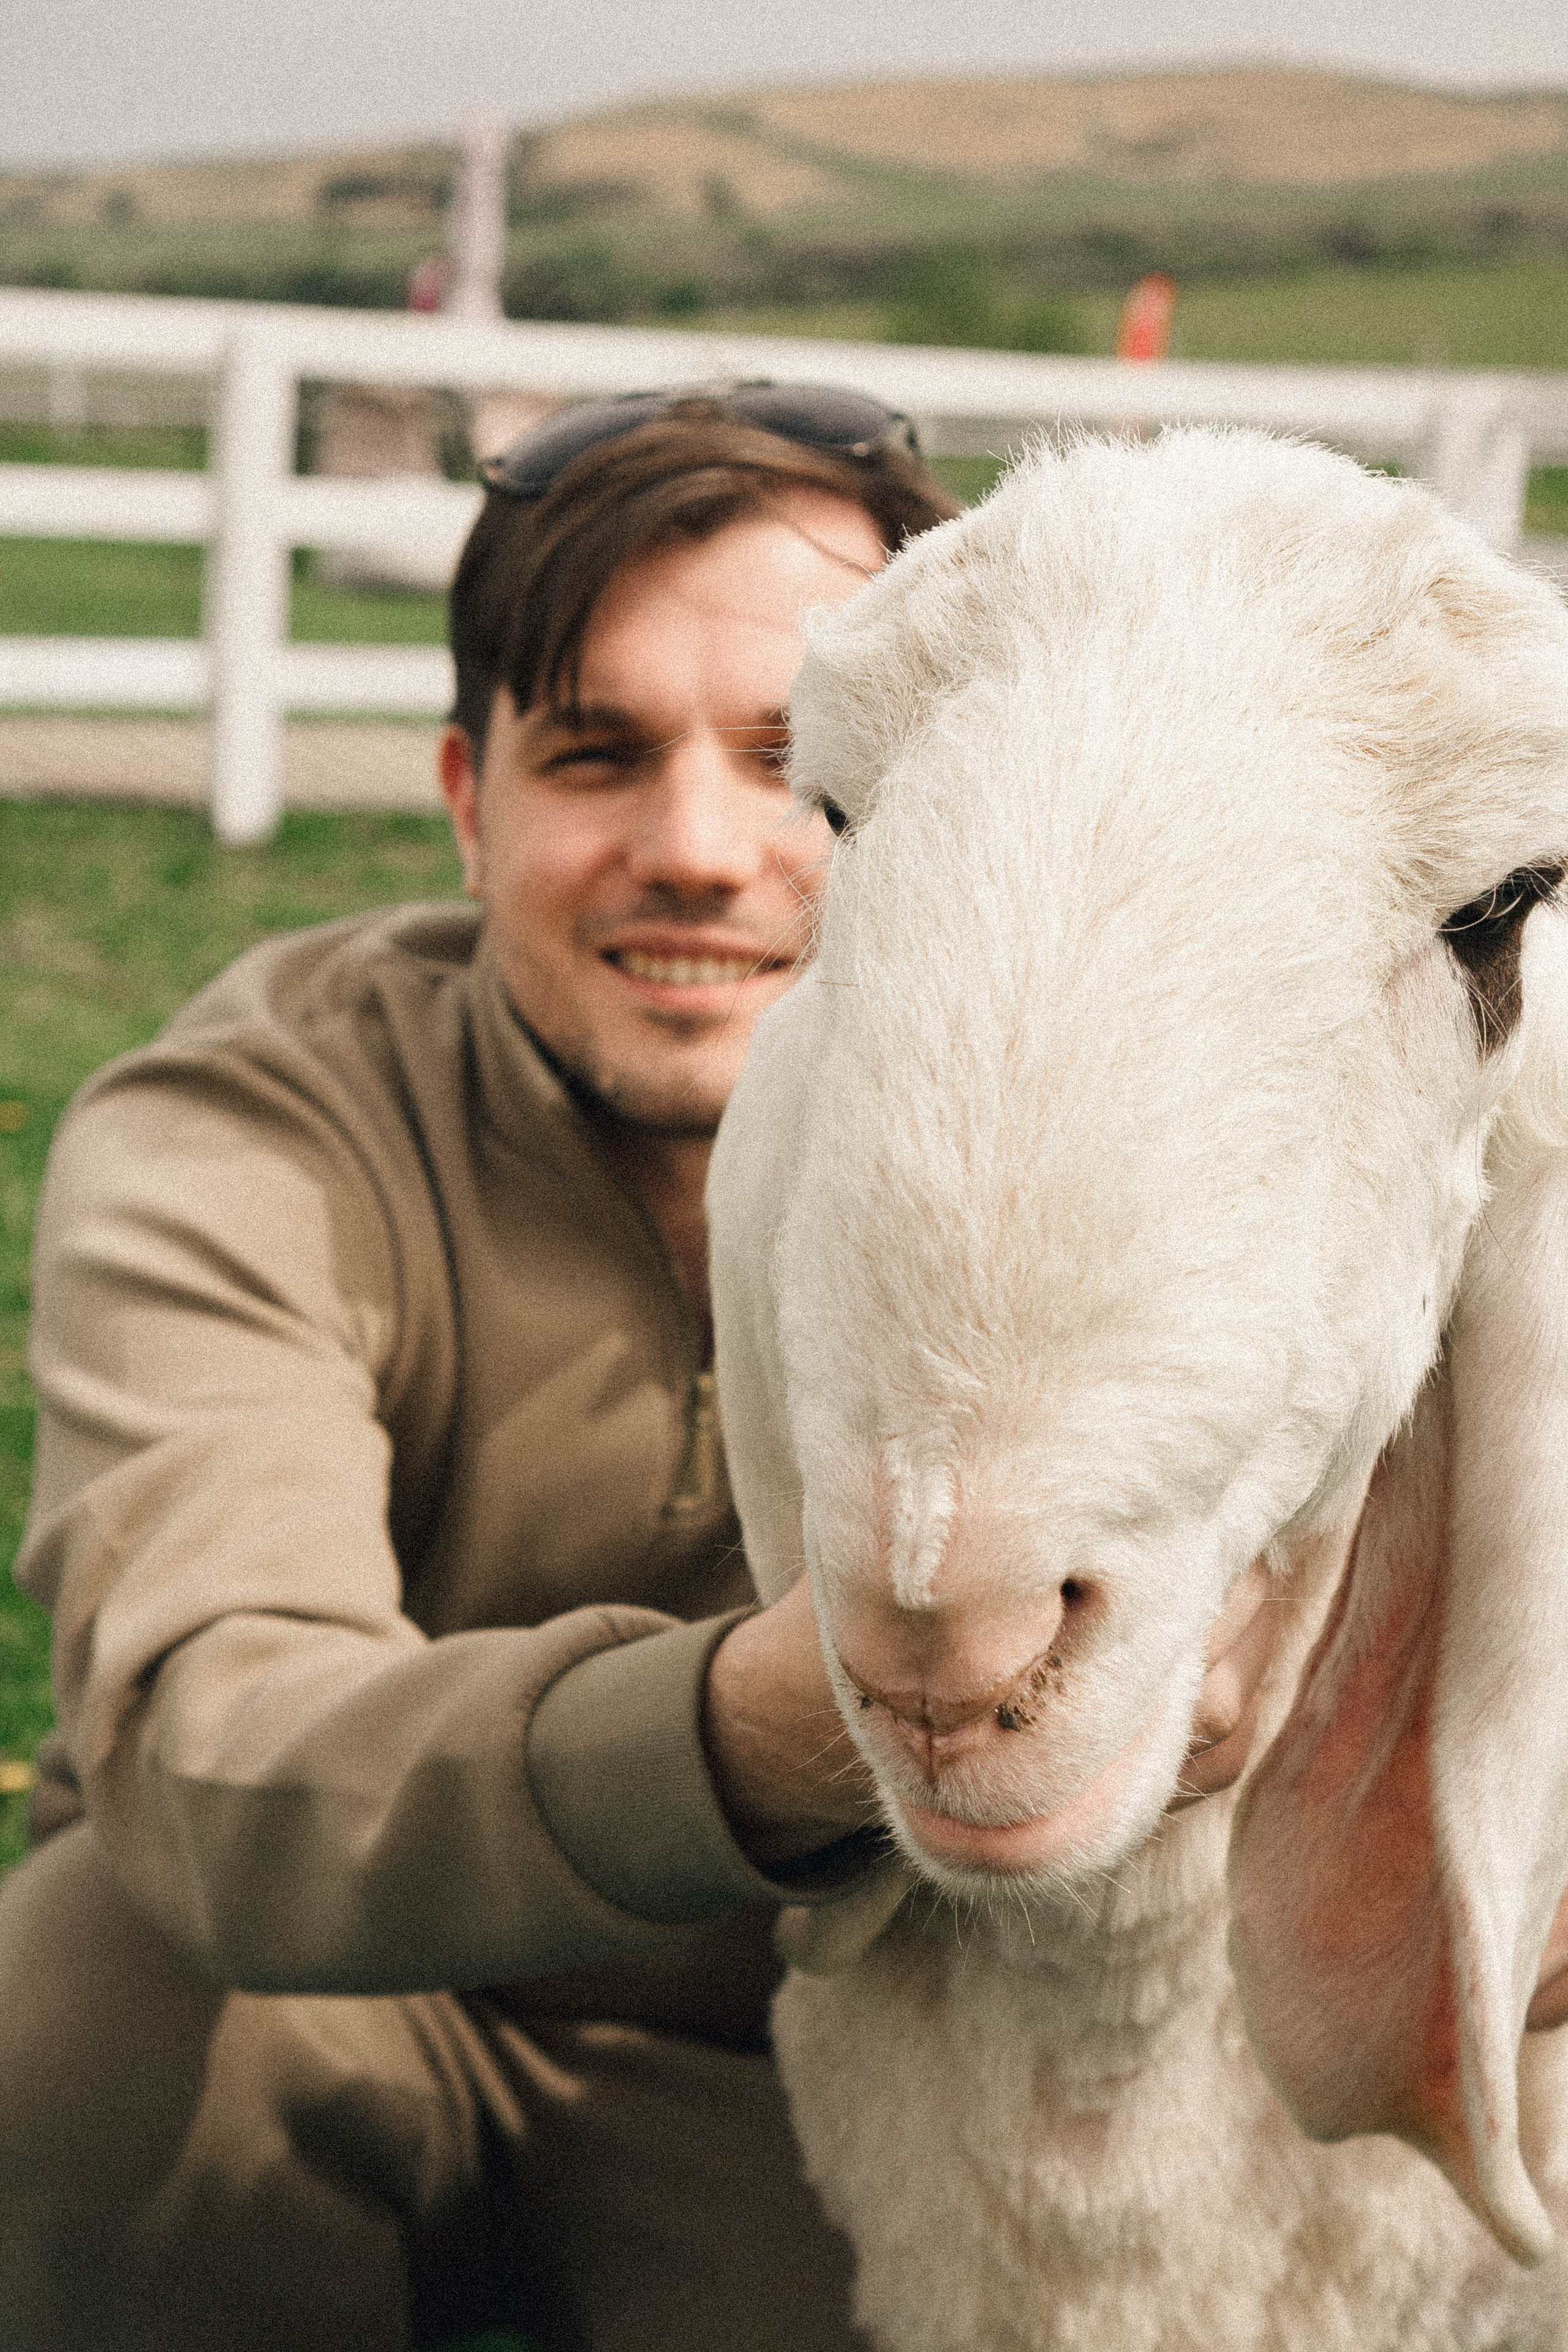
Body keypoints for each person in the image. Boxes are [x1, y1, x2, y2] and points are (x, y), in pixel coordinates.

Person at [0, 384, 1276, 2352]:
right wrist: (801, 1710)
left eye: (802, 764)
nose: (698, 849)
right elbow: (208, 1746)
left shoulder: (1189, 1157)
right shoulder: (254, 1131)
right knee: (85, 1992)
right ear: (463, 794)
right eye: (596, 753)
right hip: (358, 2001)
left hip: (858, 2038)